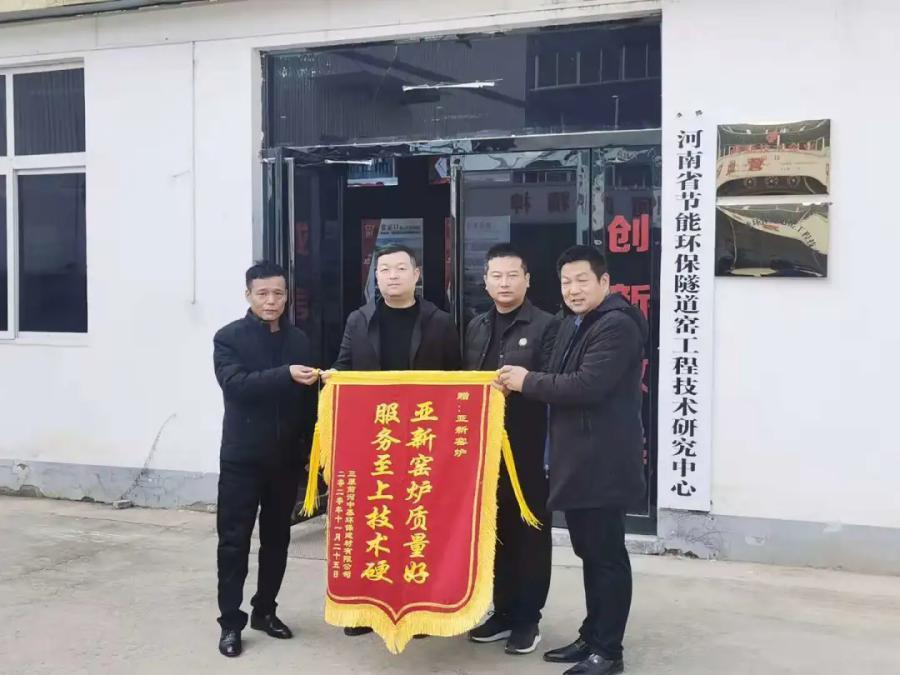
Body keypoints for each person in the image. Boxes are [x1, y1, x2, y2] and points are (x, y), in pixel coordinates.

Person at [498, 246, 648, 675]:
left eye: (582, 280)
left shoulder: (617, 325)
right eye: (566, 282)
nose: (573, 290)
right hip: (578, 462)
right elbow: (552, 371)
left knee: (606, 556)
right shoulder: (573, 322)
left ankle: (608, 651)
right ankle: (592, 636)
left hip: (603, 462)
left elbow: (585, 385)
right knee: (589, 552)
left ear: (605, 282)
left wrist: (526, 381)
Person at [325, 243, 461, 636]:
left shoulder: (439, 322)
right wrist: (333, 378)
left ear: (417, 275)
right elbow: (344, 366)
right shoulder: (359, 320)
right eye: (384, 269)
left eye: (401, 268)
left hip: (422, 443)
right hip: (375, 442)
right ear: (376, 277)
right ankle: (367, 610)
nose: (392, 276)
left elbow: (457, 379)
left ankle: (419, 610)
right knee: (374, 526)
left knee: (419, 526)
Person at [212, 261, 319, 658]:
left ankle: (265, 611)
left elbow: (308, 403)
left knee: (277, 540)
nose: (271, 300)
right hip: (241, 459)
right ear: (248, 295)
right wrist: (285, 373)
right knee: (234, 542)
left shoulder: (300, 340)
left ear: (287, 296)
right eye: (263, 294)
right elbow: (235, 386)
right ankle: (230, 623)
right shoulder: (229, 338)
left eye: (278, 293)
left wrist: (310, 450)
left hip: (285, 460)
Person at [463, 243, 558, 655]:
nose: (504, 283)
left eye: (512, 275)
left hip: (530, 447)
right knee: (494, 530)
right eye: (496, 276)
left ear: (527, 280)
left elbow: (554, 382)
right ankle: (501, 611)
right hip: (485, 450)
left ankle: (527, 618)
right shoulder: (476, 325)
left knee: (530, 531)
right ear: (485, 281)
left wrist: (522, 383)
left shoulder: (548, 325)